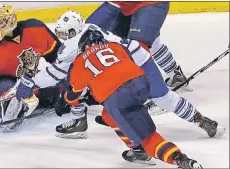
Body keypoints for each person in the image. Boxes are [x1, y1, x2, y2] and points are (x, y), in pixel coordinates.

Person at [66, 27, 202, 169]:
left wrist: (70, 100)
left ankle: (182, 160)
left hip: (119, 98)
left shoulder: (79, 61)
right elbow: (126, 65)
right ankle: (137, 150)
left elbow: (73, 94)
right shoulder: (115, 46)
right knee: (108, 114)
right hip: (141, 82)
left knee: (150, 140)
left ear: (85, 46)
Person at [85, 2, 190, 91]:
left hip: (150, 2)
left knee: (138, 47)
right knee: (86, 35)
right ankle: (80, 88)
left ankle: (156, 94)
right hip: (118, 3)